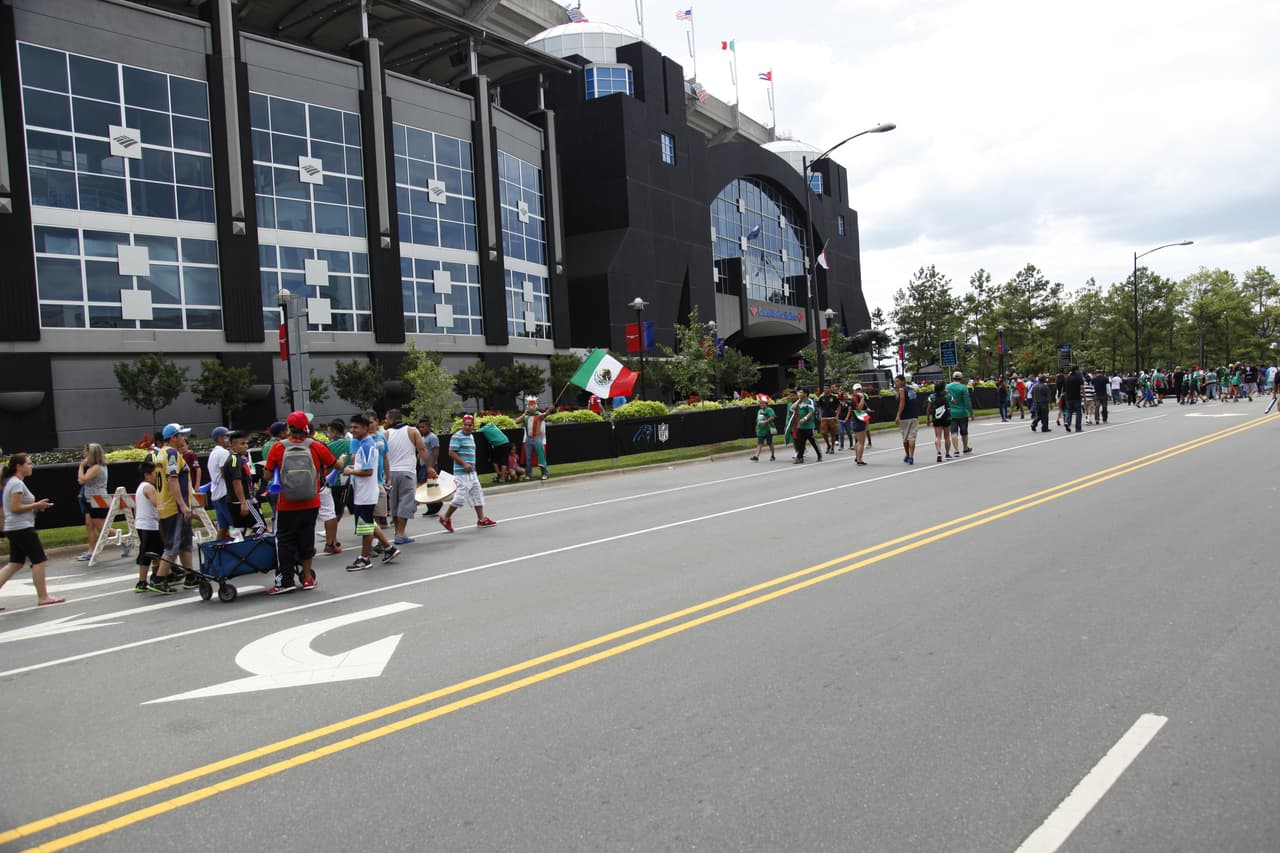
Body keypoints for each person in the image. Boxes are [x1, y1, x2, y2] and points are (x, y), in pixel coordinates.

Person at [263, 411, 337, 594]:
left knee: (285, 541)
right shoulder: (316, 446)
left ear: (288, 428)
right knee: (307, 538)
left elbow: (266, 475)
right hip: (311, 501)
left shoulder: (279, 447)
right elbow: (335, 465)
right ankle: (307, 578)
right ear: (306, 427)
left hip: (286, 503)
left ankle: (286, 581)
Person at [1, 453, 65, 608]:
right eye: (28, 464)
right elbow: (15, 508)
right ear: (19, 467)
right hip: (22, 527)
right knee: (39, 560)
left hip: (14, 527)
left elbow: (14, 507)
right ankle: (43, 597)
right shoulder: (16, 484)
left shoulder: (11, 482)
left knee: (15, 563)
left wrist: (36, 506)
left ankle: (43, 596)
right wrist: (36, 505)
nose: (31, 466)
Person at [342, 414, 399, 571]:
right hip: (364, 492)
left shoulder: (366, 445)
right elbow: (365, 468)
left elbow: (367, 471)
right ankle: (389, 548)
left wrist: (350, 471)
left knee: (365, 527)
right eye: (351, 427)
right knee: (367, 523)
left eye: (356, 427)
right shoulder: (364, 444)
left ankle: (364, 559)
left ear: (365, 428)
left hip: (365, 494)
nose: (352, 430)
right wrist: (354, 469)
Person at [152, 423, 199, 593]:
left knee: (185, 542)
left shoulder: (161, 454)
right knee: (173, 544)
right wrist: (182, 504)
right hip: (174, 506)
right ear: (173, 437)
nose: (183, 438)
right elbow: (172, 479)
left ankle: (191, 575)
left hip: (166, 505)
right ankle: (159, 578)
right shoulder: (171, 454)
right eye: (181, 435)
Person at [383, 409, 435, 545]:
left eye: (387, 418)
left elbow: (384, 455)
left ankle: (398, 532)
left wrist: (385, 474)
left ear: (392, 419)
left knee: (394, 503)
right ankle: (401, 533)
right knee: (406, 502)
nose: (385, 421)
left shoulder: (386, 434)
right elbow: (422, 449)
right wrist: (429, 467)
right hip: (407, 472)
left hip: (392, 473)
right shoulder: (412, 431)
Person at [438, 415, 497, 531]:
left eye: (470, 425)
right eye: (465, 424)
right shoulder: (457, 436)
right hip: (461, 473)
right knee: (459, 497)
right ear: (462, 425)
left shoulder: (471, 437)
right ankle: (445, 518)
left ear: (473, 426)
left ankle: (481, 519)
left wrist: (470, 467)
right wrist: (464, 463)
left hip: (472, 472)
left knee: (477, 494)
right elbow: (451, 452)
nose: (467, 427)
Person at [132, 461, 163, 593]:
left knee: (156, 552)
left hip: (142, 524)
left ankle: (156, 575)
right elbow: (157, 504)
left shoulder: (140, 487)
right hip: (149, 525)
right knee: (149, 553)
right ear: (147, 474)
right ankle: (143, 581)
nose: (156, 477)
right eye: (155, 474)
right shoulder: (149, 488)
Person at [75, 443, 109, 561]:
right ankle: (91, 550)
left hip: (97, 501)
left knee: (101, 528)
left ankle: (126, 540)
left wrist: (81, 466)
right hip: (90, 500)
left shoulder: (97, 468)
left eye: (86, 453)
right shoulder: (94, 467)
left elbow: (82, 480)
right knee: (89, 525)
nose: (84, 455)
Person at [516, 397, 553, 480]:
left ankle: (545, 473)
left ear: (536, 407)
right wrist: (524, 414)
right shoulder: (525, 416)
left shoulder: (539, 415)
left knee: (541, 456)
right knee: (528, 457)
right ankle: (529, 474)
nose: (531, 408)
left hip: (537, 438)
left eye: (532, 407)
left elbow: (545, 415)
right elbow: (517, 421)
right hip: (528, 439)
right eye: (529, 407)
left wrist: (549, 410)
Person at [206, 426, 232, 541]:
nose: (229, 439)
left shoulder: (213, 453)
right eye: (227, 436)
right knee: (235, 525)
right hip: (224, 494)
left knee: (223, 527)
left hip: (216, 494)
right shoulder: (223, 453)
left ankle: (216, 554)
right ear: (220, 438)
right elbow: (224, 472)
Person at [786, 388, 821, 463]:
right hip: (800, 426)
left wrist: (805, 418)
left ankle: (819, 455)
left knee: (813, 442)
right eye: (799, 392)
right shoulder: (799, 401)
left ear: (805, 394)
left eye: (801, 392)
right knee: (800, 443)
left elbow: (811, 412)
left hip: (809, 426)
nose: (799, 393)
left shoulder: (809, 401)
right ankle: (800, 458)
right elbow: (792, 408)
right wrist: (799, 400)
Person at [416, 418, 443, 516]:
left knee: (429, 486)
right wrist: (417, 461)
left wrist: (432, 464)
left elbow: (436, 451)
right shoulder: (422, 438)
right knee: (425, 486)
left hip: (430, 466)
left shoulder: (432, 437)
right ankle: (431, 507)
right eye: (420, 427)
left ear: (429, 427)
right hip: (423, 466)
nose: (421, 429)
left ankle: (436, 504)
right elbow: (420, 451)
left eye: (423, 427)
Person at [946, 371, 975, 454]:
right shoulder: (963, 387)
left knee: (953, 431)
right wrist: (971, 412)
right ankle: (965, 447)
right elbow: (967, 401)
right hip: (962, 412)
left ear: (952, 378)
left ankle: (956, 450)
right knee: (964, 431)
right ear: (961, 378)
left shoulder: (947, 387)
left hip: (951, 412)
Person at [476, 418, 513, 483]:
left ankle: (501, 476)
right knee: (504, 461)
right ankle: (503, 477)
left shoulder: (482, 429)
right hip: (507, 442)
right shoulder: (493, 425)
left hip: (498, 444)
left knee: (494, 461)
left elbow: (476, 432)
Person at [893, 374, 919, 465]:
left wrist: (898, 415)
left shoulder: (901, 389)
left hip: (905, 416)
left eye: (897, 381)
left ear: (903, 381)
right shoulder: (911, 390)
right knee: (912, 437)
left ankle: (908, 455)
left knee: (905, 438)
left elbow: (902, 402)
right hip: (914, 415)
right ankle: (911, 456)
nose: (896, 383)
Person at [927, 381, 952, 462]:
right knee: (947, 436)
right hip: (946, 417)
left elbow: (929, 408)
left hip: (936, 418)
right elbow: (954, 401)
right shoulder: (947, 395)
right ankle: (947, 453)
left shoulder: (932, 396)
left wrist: (928, 418)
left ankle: (938, 452)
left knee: (938, 436)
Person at [849, 384, 870, 465]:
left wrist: (867, 409)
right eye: (857, 390)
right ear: (854, 391)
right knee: (861, 442)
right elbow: (859, 408)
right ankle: (859, 460)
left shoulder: (858, 398)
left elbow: (864, 407)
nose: (858, 391)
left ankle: (857, 457)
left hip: (860, 420)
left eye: (859, 390)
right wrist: (862, 399)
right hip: (857, 421)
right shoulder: (854, 399)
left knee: (859, 441)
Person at [750, 396, 776, 461]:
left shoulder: (769, 409)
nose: (761, 404)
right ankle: (756, 456)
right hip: (760, 430)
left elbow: (772, 417)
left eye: (763, 403)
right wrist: (756, 427)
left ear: (766, 404)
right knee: (759, 443)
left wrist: (765, 422)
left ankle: (772, 455)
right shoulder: (759, 411)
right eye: (760, 403)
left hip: (768, 430)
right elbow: (757, 420)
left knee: (770, 443)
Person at [816, 383, 840, 453]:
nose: (825, 390)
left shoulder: (834, 397)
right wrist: (820, 416)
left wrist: (837, 415)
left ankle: (832, 447)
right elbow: (820, 407)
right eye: (824, 388)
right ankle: (828, 444)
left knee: (833, 433)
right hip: (824, 418)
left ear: (830, 389)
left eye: (827, 388)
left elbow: (839, 406)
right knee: (824, 433)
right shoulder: (821, 397)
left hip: (832, 417)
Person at [1061, 366, 1084, 432]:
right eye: (1078, 370)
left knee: (1069, 411)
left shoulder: (1067, 378)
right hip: (1077, 397)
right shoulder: (1079, 377)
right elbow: (1082, 388)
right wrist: (1084, 396)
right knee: (1078, 412)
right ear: (1076, 370)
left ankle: (1067, 423)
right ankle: (1078, 428)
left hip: (1068, 397)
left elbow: (1064, 388)